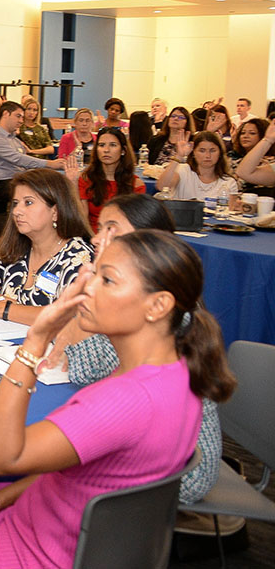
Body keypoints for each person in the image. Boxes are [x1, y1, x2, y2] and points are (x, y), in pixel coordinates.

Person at [0, 230, 235, 569]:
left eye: (107, 280)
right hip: (72, 531)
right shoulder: (180, 373)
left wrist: (35, 341)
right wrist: (1, 496)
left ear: (158, 305)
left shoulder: (124, 398)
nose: (86, 288)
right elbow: (86, 473)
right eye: (93, 274)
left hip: (33, 549)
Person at [38, 193, 222, 505]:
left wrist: (93, 280)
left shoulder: (153, 315)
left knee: (36, 458)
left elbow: (67, 358)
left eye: (113, 230)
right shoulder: (142, 296)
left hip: (182, 471)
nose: (97, 238)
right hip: (146, 442)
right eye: (100, 228)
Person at [0, 169, 93, 325]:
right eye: (16, 203)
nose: (17, 211)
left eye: (28, 203)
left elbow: (68, 315)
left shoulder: (79, 256)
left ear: (55, 212)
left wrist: (3, 310)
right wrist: (6, 304)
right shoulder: (16, 244)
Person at [0, 102, 64, 199]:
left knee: (54, 183)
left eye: (22, 117)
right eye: (18, 116)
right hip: (3, 183)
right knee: (44, 192)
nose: (21, 121)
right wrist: (50, 164)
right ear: (5, 114)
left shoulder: (14, 140)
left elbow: (23, 161)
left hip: (17, 179)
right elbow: (19, 159)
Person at [71, 127, 144, 232]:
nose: (106, 150)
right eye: (101, 145)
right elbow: (82, 219)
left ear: (123, 151)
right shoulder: (86, 179)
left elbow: (136, 224)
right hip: (91, 237)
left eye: (113, 145)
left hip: (122, 240)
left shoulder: (136, 184)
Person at [155, 131, 239, 202]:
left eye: (212, 151)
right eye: (202, 151)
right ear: (194, 152)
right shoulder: (183, 170)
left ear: (220, 153)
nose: (207, 155)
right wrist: (179, 156)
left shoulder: (229, 182)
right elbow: (161, 187)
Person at [235, 120, 275, 190]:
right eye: (243, 133)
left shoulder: (269, 161)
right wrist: (267, 140)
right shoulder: (233, 157)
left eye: (252, 133)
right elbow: (242, 173)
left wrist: (267, 140)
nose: (245, 136)